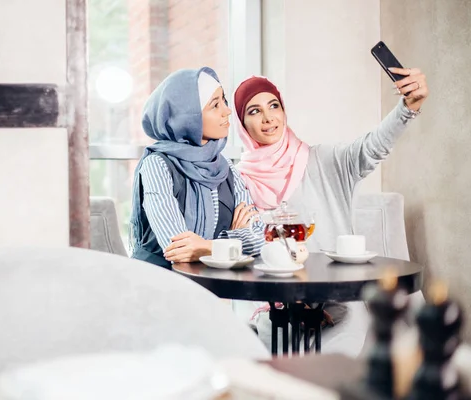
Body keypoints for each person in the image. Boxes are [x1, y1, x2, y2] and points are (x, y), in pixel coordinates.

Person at [233, 67, 429, 356]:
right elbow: (245, 253)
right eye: (254, 110)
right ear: (241, 124)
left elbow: (371, 148)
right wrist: (237, 237)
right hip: (276, 306)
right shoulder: (238, 182)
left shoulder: (323, 162)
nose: (268, 117)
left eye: (273, 105)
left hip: (337, 303)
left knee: (336, 355)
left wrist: (407, 108)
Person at [129, 67, 265, 269]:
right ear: (187, 117)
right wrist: (233, 240)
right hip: (158, 285)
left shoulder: (226, 168)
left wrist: (206, 246)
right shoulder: (157, 165)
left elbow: (260, 239)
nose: (227, 111)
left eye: (223, 101)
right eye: (215, 105)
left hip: (209, 286)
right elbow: (177, 248)